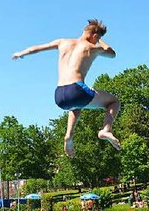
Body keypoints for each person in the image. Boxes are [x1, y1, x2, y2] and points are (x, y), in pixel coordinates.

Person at [12, 19, 121, 157]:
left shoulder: (62, 42)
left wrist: (20, 53)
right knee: (114, 102)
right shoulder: (93, 47)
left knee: (76, 107)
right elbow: (112, 54)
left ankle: (69, 136)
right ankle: (106, 129)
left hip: (59, 95)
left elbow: (37, 48)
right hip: (77, 89)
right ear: (94, 36)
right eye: (98, 37)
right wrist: (100, 41)